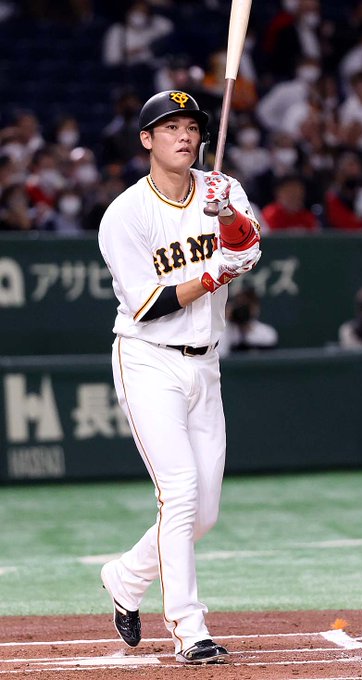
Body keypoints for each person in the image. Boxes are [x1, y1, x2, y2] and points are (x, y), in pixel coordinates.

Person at [98, 89, 261, 664]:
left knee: (204, 512)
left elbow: (249, 250)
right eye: (170, 128)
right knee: (181, 492)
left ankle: (126, 576)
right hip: (148, 358)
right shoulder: (125, 214)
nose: (184, 136)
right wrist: (215, 274)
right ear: (147, 140)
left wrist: (230, 218)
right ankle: (190, 629)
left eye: (191, 127)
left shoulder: (221, 188)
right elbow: (147, 304)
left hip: (206, 361)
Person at [218, 287, 278, 357]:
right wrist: (223, 317)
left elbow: (270, 359)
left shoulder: (266, 332)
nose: (242, 310)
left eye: (247, 306)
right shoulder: (223, 331)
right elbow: (220, 354)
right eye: (239, 304)